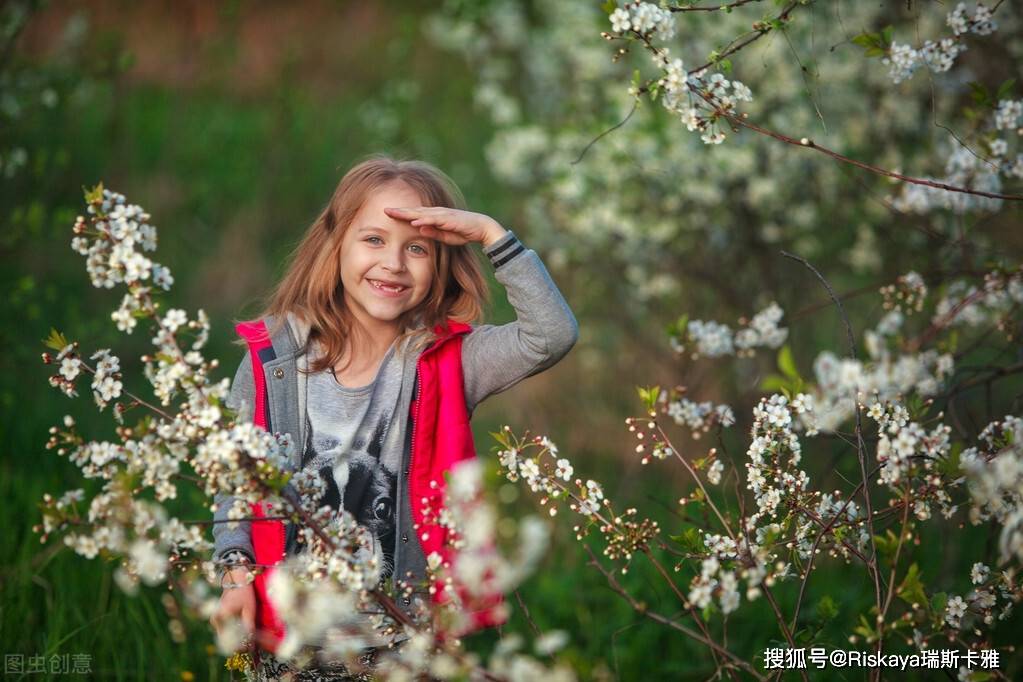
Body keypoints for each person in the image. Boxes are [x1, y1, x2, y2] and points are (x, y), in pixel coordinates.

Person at [209, 155, 578, 679]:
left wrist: (494, 235)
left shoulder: (451, 360)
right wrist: (234, 575)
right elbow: (234, 476)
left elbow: (552, 335)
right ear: (335, 245)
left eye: (418, 248)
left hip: (402, 637)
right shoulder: (274, 359)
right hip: (285, 637)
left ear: (442, 262)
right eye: (374, 240)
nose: (394, 264)